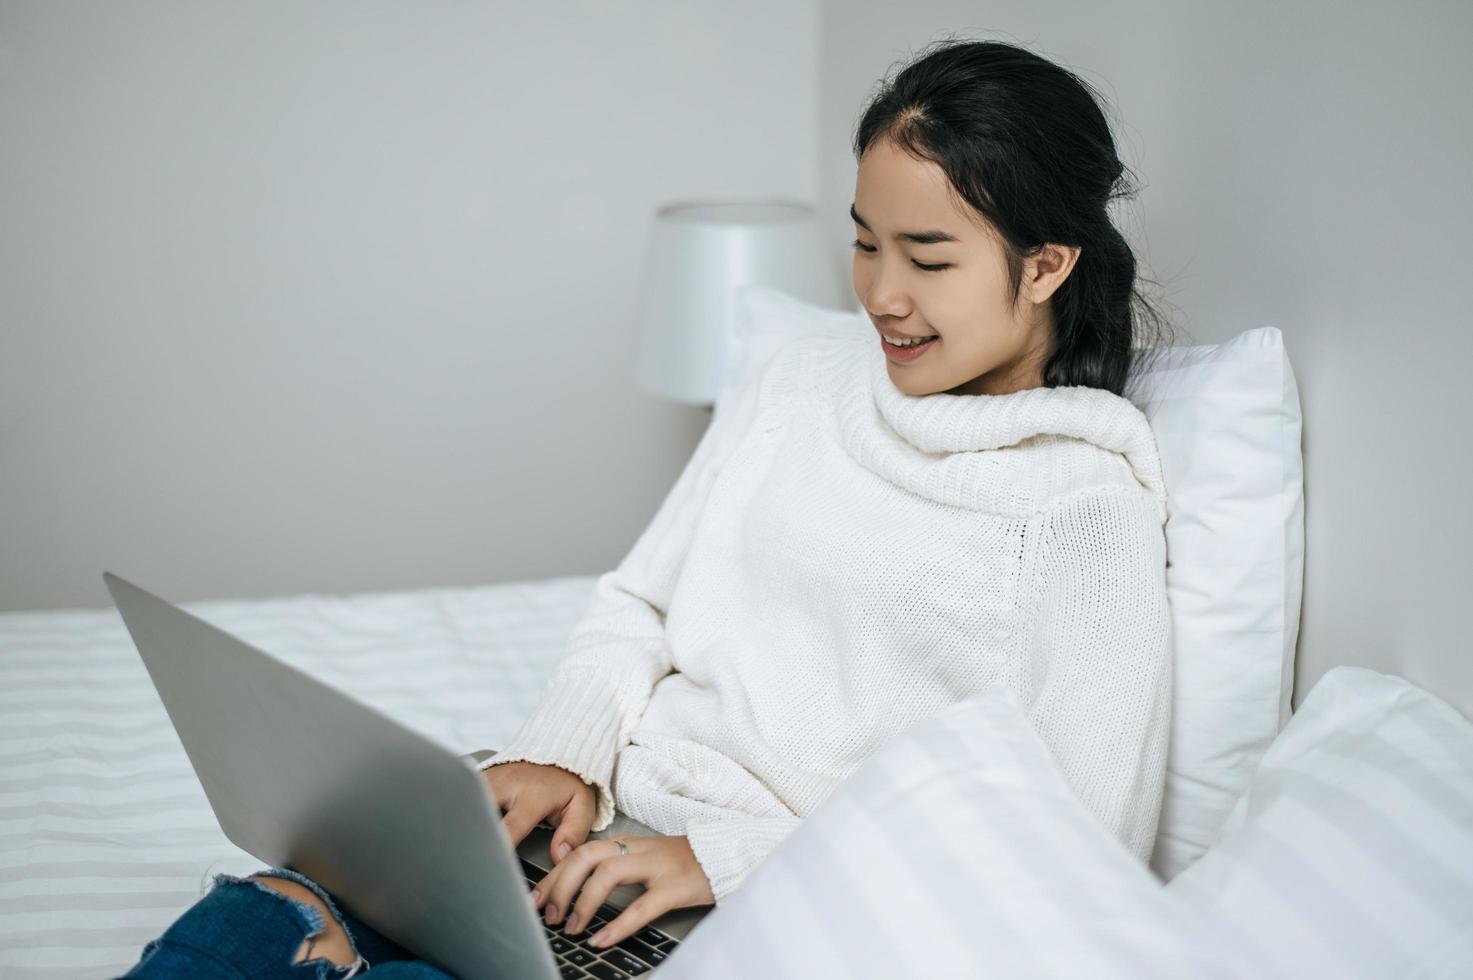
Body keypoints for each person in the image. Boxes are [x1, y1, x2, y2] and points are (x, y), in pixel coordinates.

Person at [119, 35, 1175, 977]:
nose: (882, 294)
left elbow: (1068, 855)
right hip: (600, 840)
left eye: (928, 257)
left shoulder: (1082, 516)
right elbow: (640, 600)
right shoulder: (805, 379)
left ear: (1046, 264)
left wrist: (731, 859)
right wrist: (564, 750)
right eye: (866, 242)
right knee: (271, 911)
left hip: (774, 914)